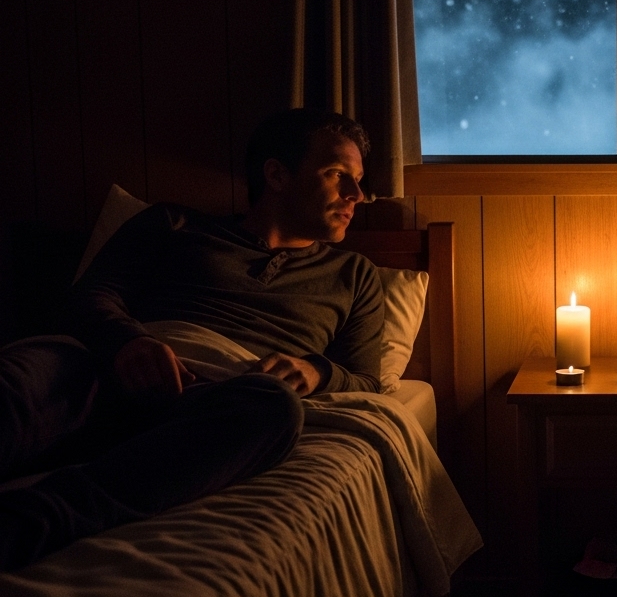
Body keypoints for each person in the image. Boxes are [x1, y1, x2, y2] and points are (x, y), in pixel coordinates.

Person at [0, 108, 383, 572]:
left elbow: (365, 379)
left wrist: (316, 369)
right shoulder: (173, 225)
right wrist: (128, 343)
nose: (356, 195)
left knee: (274, 409)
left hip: (215, 400)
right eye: (338, 175)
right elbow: (92, 296)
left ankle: (29, 521)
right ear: (277, 175)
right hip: (109, 368)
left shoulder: (354, 274)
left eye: (358, 181)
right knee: (18, 378)